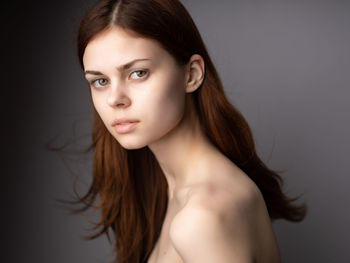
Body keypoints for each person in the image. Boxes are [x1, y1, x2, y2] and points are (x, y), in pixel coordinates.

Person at [55, 0, 307, 262]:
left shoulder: (202, 216)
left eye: (138, 73)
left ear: (192, 75)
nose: (114, 99)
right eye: (100, 81)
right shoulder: (174, 190)